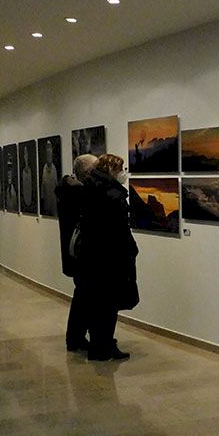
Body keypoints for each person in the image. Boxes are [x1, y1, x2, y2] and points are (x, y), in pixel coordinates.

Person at [78, 153, 138, 361]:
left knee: (99, 304)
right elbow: (118, 230)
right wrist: (130, 250)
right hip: (111, 258)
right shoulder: (111, 194)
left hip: (94, 257)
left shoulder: (90, 188)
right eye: (121, 168)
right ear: (111, 170)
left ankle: (99, 345)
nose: (124, 173)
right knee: (108, 306)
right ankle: (103, 347)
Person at [55, 154, 97, 352]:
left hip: (76, 254)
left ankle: (76, 337)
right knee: (84, 297)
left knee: (82, 296)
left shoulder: (67, 190)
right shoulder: (77, 193)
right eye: (94, 170)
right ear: (86, 172)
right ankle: (76, 338)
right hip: (82, 255)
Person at [39, 140, 58, 216]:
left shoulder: (55, 169)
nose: (49, 151)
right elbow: (43, 185)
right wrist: (42, 197)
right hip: (46, 203)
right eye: (47, 148)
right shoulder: (44, 168)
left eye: (50, 148)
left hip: (54, 203)